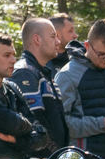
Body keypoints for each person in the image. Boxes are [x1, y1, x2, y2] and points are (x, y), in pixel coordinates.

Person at [54, 18, 105, 159]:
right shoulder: (67, 75)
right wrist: (100, 124)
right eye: (102, 54)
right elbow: (62, 124)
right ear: (87, 46)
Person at [9, 18, 69, 152]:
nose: (58, 42)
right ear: (37, 39)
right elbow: (32, 121)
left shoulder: (44, 73)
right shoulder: (25, 72)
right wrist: (54, 155)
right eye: (53, 36)